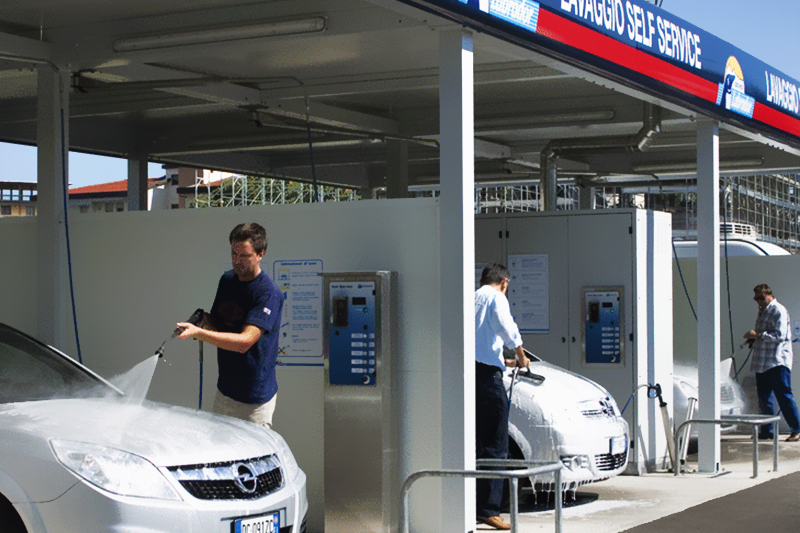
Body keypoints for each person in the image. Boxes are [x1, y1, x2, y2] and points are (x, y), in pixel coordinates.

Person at [178, 222, 284, 428]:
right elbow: (220, 322)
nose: (237, 261)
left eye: (244, 256)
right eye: (234, 254)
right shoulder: (227, 280)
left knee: (250, 458)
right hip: (225, 391)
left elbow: (244, 342)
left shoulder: (268, 293)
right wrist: (202, 320)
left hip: (255, 400)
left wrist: (199, 334)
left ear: (260, 254)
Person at [475, 263, 530, 530]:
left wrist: (502, 360)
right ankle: (488, 509)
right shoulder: (496, 297)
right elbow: (507, 328)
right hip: (487, 379)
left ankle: (472, 502)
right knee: (496, 442)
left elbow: (480, 340)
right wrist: (520, 356)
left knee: (476, 441)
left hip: (469, 374)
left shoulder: (471, 297)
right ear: (504, 282)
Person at [743, 283, 800, 442]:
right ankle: (766, 431)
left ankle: (796, 429)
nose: (759, 301)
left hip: (777, 361)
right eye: (756, 298)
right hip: (762, 362)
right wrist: (754, 339)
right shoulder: (762, 311)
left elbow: (780, 336)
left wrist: (758, 335)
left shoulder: (778, 310)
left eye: (761, 298)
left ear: (770, 295)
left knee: (783, 395)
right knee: (764, 397)